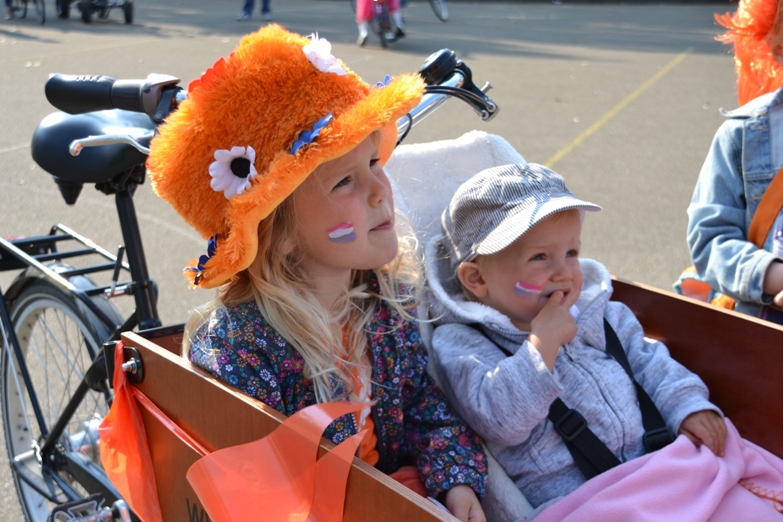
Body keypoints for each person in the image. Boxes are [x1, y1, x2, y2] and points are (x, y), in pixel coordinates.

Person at [146, 25, 488, 522]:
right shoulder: (241, 353)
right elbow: (263, 499)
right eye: (345, 180)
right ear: (278, 232)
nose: (381, 189)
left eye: (374, 161)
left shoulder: (381, 299)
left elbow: (421, 404)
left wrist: (454, 479)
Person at [425, 163, 726, 509]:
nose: (564, 273)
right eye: (540, 257)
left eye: (571, 253)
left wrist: (687, 406)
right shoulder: (464, 344)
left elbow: (650, 363)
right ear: (477, 279)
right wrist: (541, 346)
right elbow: (499, 422)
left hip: (660, 467)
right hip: (582, 502)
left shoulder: (601, 314)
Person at [686, 0, 783, 323]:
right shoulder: (744, 135)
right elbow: (710, 239)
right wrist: (773, 276)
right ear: (779, 50)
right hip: (766, 330)